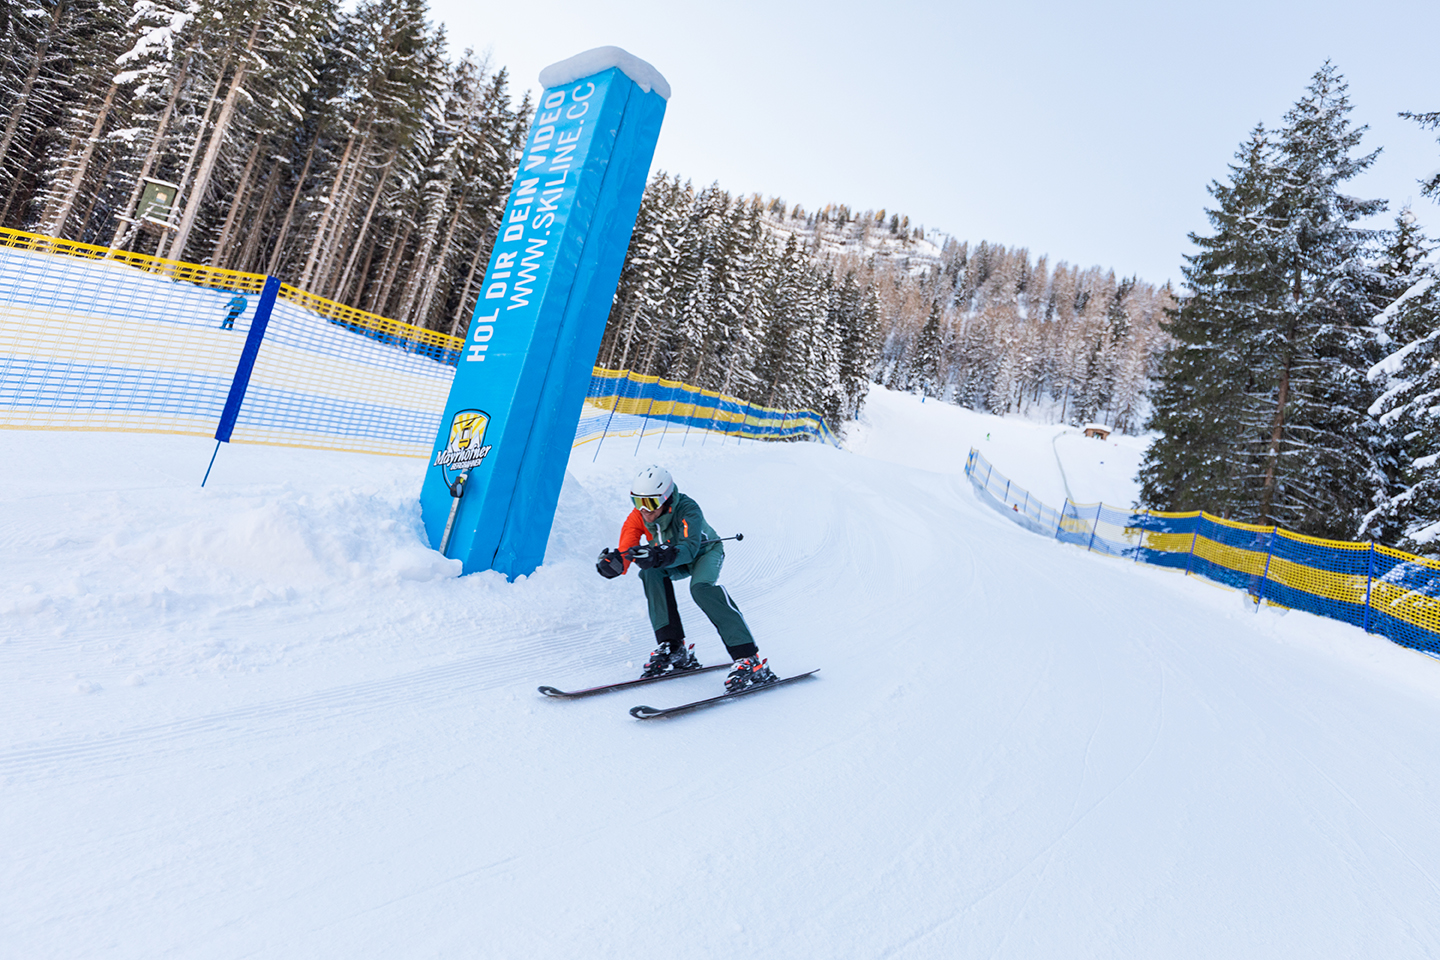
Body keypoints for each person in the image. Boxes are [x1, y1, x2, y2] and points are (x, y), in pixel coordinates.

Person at [595, 464, 775, 693]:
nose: (644, 510)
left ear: (666, 497)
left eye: (650, 502)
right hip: (670, 557)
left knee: (701, 589)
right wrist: (613, 565)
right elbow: (626, 551)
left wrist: (658, 555)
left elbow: (689, 549)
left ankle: (749, 658)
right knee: (649, 572)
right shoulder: (638, 517)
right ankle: (673, 646)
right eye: (637, 501)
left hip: (704, 554)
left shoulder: (688, 508)